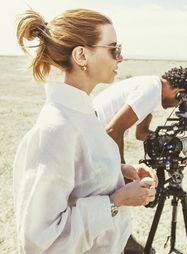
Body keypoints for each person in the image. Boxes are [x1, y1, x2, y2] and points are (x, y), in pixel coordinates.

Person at [13, 9, 157, 254]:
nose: (120, 58)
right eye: (114, 49)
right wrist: (117, 201)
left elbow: (78, 180)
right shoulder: (55, 129)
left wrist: (120, 172)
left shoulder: (82, 113)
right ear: (81, 55)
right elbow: (40, 242)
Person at [93, 67, 187, 164]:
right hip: (92, 143)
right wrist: (121, 169)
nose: (177, 106)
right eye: (182, 101)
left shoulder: (153, 87)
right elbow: (113, 130)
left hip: (96, 142)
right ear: (179, 93)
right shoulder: (151, 91)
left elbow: (141, 133)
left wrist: (170, 140)